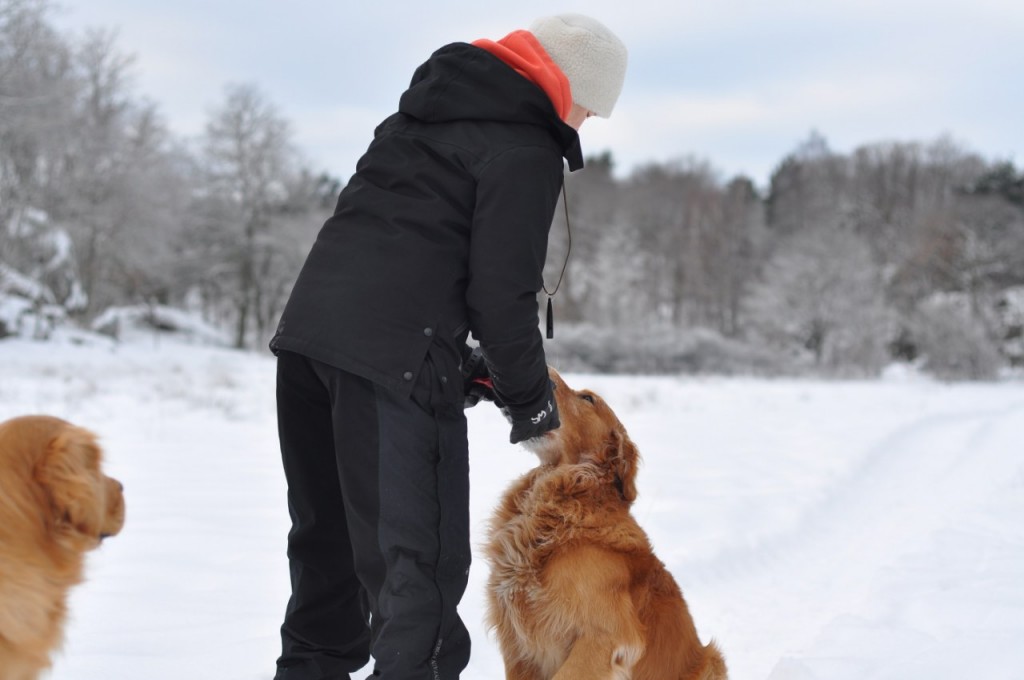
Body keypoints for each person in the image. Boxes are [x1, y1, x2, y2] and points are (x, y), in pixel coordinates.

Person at [268, 13, 627, 680]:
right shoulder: (525, 146)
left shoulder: (419, 118)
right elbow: (504, 296)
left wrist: (460, 363)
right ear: (572, 88)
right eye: (591, 109)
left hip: (307, 347)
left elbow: (398, 254)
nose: (585, 124)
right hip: (393, 366)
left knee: (329, 574)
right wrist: (533, 410)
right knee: (419, 596)